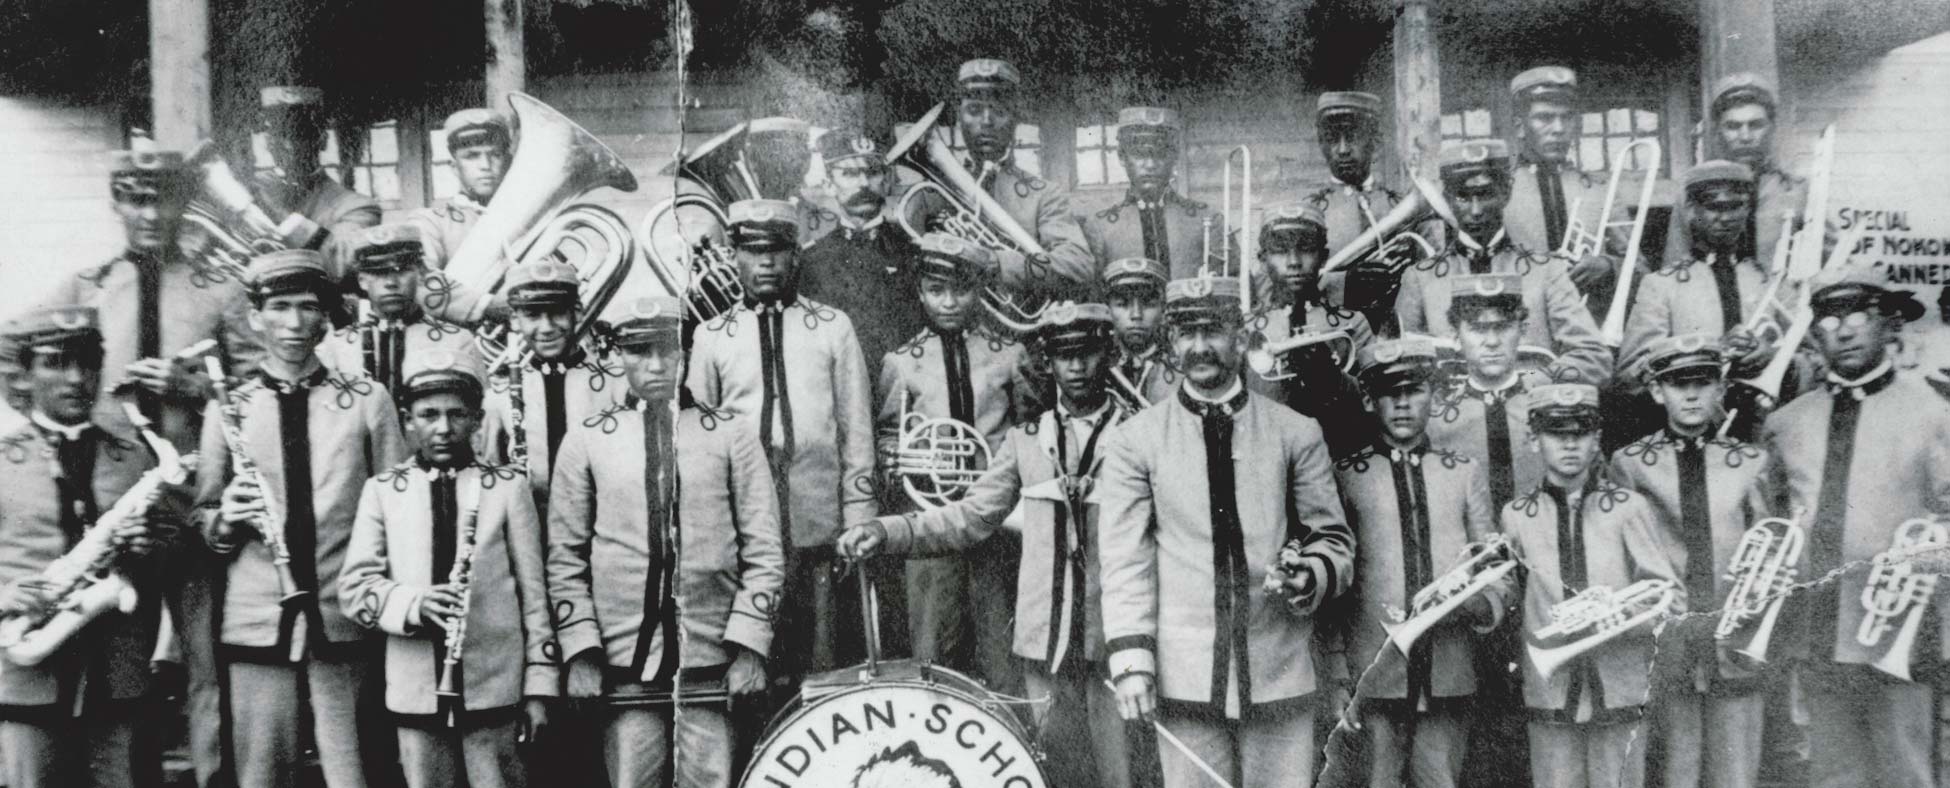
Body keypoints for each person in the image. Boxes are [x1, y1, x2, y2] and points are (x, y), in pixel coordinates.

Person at [845, 302, 1146, 788]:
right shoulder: (1027, 441)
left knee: (1123, 774)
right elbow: (970, 516)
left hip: (1115, 638)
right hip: (1043, 640)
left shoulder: (1142, 435)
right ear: (1046, 362)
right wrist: (888, 530)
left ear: (1106, 355)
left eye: (1087, 353)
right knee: (1054, 769)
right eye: (1063, 356)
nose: (1075, 367)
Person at [1098, 275, 1355, 788]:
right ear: (1170, 343)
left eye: (1213, 331)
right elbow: (1125, 556)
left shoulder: (1295, 431)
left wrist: (1310, 574)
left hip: (1279, 667)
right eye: (1187, 333)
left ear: (1240, 337)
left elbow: (1334, 540)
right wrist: (1131, 657)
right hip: (1183, 673)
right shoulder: (1135, 441)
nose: (1200, 347)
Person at [548, 295, 785, 788]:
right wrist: (582, 654)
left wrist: (750, 650)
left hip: (710, 659)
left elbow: (763, 550)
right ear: (618, 355)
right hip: (625, 663)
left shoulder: (731, 435)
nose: (656, 366)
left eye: (669, 350)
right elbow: (565, 559)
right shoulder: (588, 440)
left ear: (688, 353)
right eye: (639, 352)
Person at [196, 249, 408, 788]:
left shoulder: (367, 401)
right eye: (281, 307)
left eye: (309, 307)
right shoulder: (231, 406)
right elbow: (204, 512)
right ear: (255, 317)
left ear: (326, 315)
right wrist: (225, 521)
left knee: (354, 771)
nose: (294, 323)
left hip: (345, 616)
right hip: (257, 618)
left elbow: (401, 510)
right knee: (262, 774)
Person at [1761, 265, 1947, 788]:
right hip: (1819, 629)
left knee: (1906, 770)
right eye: (1828, 317)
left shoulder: (1934, 414)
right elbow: (1777, 522)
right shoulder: (1787, 423)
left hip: (1903, 631)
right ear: (1814, 331)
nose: (1842, 331)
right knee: (1833, 775)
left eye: (1859, 315)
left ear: (1888, 325)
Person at [338, 348, 554, 788]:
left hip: (495, 685)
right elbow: (354, 589)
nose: (442, 428)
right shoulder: (383, 491)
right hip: (414, 688)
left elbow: (535, 596)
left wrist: (539, 686)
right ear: (407, 420)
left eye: (457, 415)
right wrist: (415, 605)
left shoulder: (507, 487)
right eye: (428, 414)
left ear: (477, 420)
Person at [687, 198, 877, 676]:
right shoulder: (712, 336)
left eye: (776, 251)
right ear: (735, 257)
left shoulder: (833, 328)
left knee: (821, 657)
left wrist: (857, 516)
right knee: (751, 659)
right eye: (753, 252)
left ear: (795, 256)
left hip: (819, 524)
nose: (766, 262)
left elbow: (857, 431)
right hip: (743, 525)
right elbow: (701, 440)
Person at [0, 306, 181, 788]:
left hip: (118, 678)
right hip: (27, 679)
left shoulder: (133, 458)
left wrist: (149, 550)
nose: (76, 378)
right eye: (56, 362)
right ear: (25, 373)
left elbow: (168, 569)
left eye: (86, 361)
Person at [1332, 336, 1508, 788]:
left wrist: (1480, 604)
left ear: (1433, 394)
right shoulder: (1347, 474)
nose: (1403, 404)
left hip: (1450, 668)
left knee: (1440, 779)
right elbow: (1336, 587)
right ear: (1371, 401)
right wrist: (1335, 671)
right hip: (1372, 667)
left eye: (1414, 390)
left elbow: (1496, 567)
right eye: (1390, 393)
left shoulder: (1464, 471)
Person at [1606, 334, 1774, 788]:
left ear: (1721, 389)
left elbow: (1772, 552)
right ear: (1658, 392)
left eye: (1704, 382)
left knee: (1734, 775)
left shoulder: (1750, 462)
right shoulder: (1630, 464)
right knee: (1673, 774)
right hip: (1667, 649)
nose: (1693, 394)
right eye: (1679, 384)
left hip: (1735, 645)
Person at [1502, 383, 1683, 788]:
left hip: (1619, 686)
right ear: (1534, 439)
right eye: (1556, 433)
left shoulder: (1627, 508)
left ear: (1596, 439)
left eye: (1580, 433)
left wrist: (1616, 616)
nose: (1569, 444)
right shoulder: (1516, 516)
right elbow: (1509, 595)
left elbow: (1669, 596)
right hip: (1549, 690)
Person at [875, 233, 1034, 691]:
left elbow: (1028, 434)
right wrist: (905, 459)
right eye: (935, 291)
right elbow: (889, 437)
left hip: (999, 524)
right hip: (931, 521)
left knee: (1002, 650)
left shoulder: (1009, 355)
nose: (948, 302)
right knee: (933, 649)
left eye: (960, 290)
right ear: (920, 292)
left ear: (978, 291)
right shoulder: (902, 363)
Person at [1395, 140, 1613, 388]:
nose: (1475, 210)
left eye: (1485, 194)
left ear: (1506, 193)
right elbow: (1401, 365)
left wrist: (1527, 380)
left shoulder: (1547, 271)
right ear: (1448, 199)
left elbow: (1595, 359)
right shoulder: (1419, 278)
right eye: (1463, 197)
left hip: (1528, 416)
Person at [915, 58, 1094, 302]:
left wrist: (998, 263)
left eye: (999, 111)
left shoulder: (1044, 195)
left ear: (1015, 119)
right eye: (974, 110)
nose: (986, 122)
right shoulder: (932, 193)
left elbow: (1078, 265)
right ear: (959, 116)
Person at [482, 259, 627, 507]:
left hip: (604, 528)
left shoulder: (618, 382)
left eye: (558, 312)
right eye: (532, 315)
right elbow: (492, 476)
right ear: (515, 320)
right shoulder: (499, 395)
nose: (546, 328)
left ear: (578, 312)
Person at [797, 128, 929, 391]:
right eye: (849, 173)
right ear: (829, 183)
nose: (863, 184)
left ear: (888, 180)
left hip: (905, 390)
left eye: (873, 172)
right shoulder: (810, 260)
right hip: (836, 390)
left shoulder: (914, 253)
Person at [1248, 202, 1377, 458]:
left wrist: (1334, 380)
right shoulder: (1248, 329)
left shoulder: (1352, 324)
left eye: (1306, 250)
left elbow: (1373, 403)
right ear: (1263, 260)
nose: (1294, 262)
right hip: (1270, 457)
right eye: (1280, 251)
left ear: (1324, 257)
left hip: (1339, 456)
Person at [1500, 67, 1627, 310]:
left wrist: (1608, 266)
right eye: (1544, 118)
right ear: (1519, 126)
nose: (1558, 128)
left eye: (1566, 117)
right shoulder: (1499, 191)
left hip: (1590, 326)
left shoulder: (1600, 190)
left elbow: (1639, 267)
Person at [1425, 273, 1548, 511]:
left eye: (1503, 327)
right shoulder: (1437, 421)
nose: (1492, 341)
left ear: (1522, 331)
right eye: (1477, 329)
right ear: (1455, 336)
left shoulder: (1547, 410)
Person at [1663, 74, 1809, 270]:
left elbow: (1832, 264)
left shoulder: (1797, 191)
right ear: (1717, 131)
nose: (1745, 136)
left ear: (1771, 127)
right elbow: (1674, 269)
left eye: (1756, 125)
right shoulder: (1692, 193)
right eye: (1733, 126)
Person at [320, 224, 482, 397]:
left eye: (402, 271)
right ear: (362, 281)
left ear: (420, 274)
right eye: (379, 273)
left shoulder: (458, 340)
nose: (391, 283)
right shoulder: (337, 345)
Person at [1303, 91, 1414, 333]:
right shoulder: (1308, 213)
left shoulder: (1399, 205)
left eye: (1353, 137)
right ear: (1322, 144)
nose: (1342, 150)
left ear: (1374, 141)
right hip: (1334, 338)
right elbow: (1277, 291)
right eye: (1332, 139)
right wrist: (1344, 285)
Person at [1083, 106, 1227, 280]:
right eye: (1140, 154)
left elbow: (1231, 285)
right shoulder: (1101, 227)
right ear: (1122, 157)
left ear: (1174, 157)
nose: (1150, 164)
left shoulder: (1208, 219)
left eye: (1160, 154)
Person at [252, 86, 382, 274]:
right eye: (279, 135)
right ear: (268, 143)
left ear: (322, 140)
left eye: (299, 133)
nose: (288, 145)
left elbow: (342, 265)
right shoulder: (253, 193)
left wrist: (280, 213)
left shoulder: (358, 207)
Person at [411, 109, 512, 268]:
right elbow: (426, 280)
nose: (485, 166)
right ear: (455, 167)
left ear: (507, 163)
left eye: (495, 155)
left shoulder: (530, 216)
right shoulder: (432, 221)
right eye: (472, 156)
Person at [1102, 256, 1177, 406]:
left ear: (1164, 311)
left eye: (1148, 304)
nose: (1136, 315)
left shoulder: (1181, 369)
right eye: (1122, 304)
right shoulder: (1098, 370)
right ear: (1108, 310)